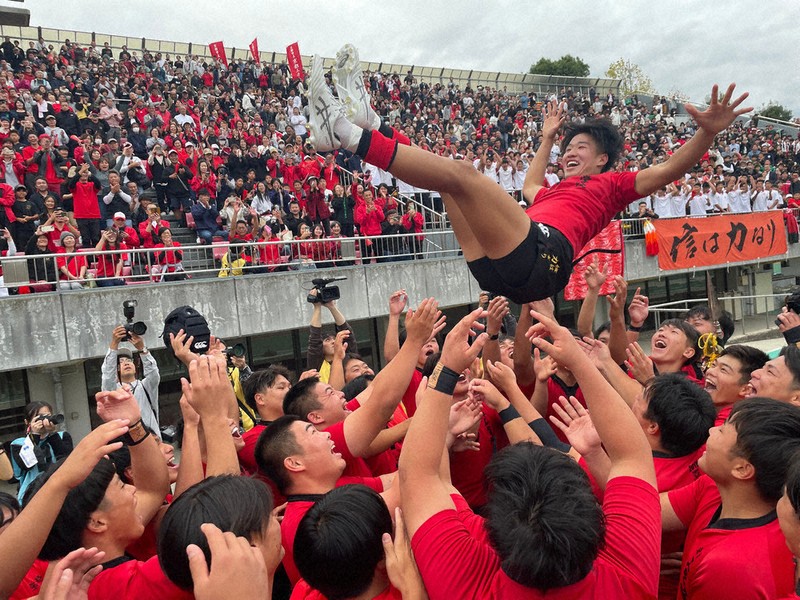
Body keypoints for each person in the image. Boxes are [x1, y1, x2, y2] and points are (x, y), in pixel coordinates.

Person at [307, 46, 751, 302]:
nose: (570, 155)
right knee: (447, 182)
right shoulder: (551, 192)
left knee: (463, 174)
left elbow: (671, 168)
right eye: (568, 149)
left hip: (543, 258)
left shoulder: (611, 187)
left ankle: (345, 135)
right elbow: (529, 186)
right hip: (503, 269)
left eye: (581, 148)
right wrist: (547, 137)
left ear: (602, 159)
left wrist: (706, 135)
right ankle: (372, 124)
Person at [398, 307, 660, 598]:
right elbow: (632, 455)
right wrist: (580, 361)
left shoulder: (470, 584)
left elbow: (420, 479)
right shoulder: (628, 577)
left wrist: (445, 370)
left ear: (489, 531)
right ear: (595, 518)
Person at [661, 398, 800, 599]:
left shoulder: (731, 568)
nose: (711, 430)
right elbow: (646, 512)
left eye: (723, 429)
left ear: (742, 469)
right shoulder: (715, 487)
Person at [101, 324, 161, 434]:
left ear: (135, 366)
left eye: (128, 360)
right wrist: (114, 343)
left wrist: (142, 349)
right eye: (120, 362)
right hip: (128, 444)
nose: (125, 363)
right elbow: (107, 376)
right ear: (115, 371)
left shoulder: (145, 386)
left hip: (154, 441)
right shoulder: (113, 391)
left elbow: (153, 373)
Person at [8, 401, 73, 502]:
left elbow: (67, 459)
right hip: (32, 493)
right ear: (27, 421)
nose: (45, 420)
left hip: (61, 489)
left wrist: (52, 434)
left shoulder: (62, 436)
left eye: (48, 416)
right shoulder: (19, 444)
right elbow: (26, 465)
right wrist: (35, 436)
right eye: (40, 417)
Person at [305, 293, 358, 383]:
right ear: (321, 347)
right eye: (327, 340)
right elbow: (314, 339)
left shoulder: (349, 359)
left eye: (335, 339)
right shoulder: (317, 364)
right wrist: (317, 307)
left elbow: (348, 334)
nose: (333, 342)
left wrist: (332, 306)